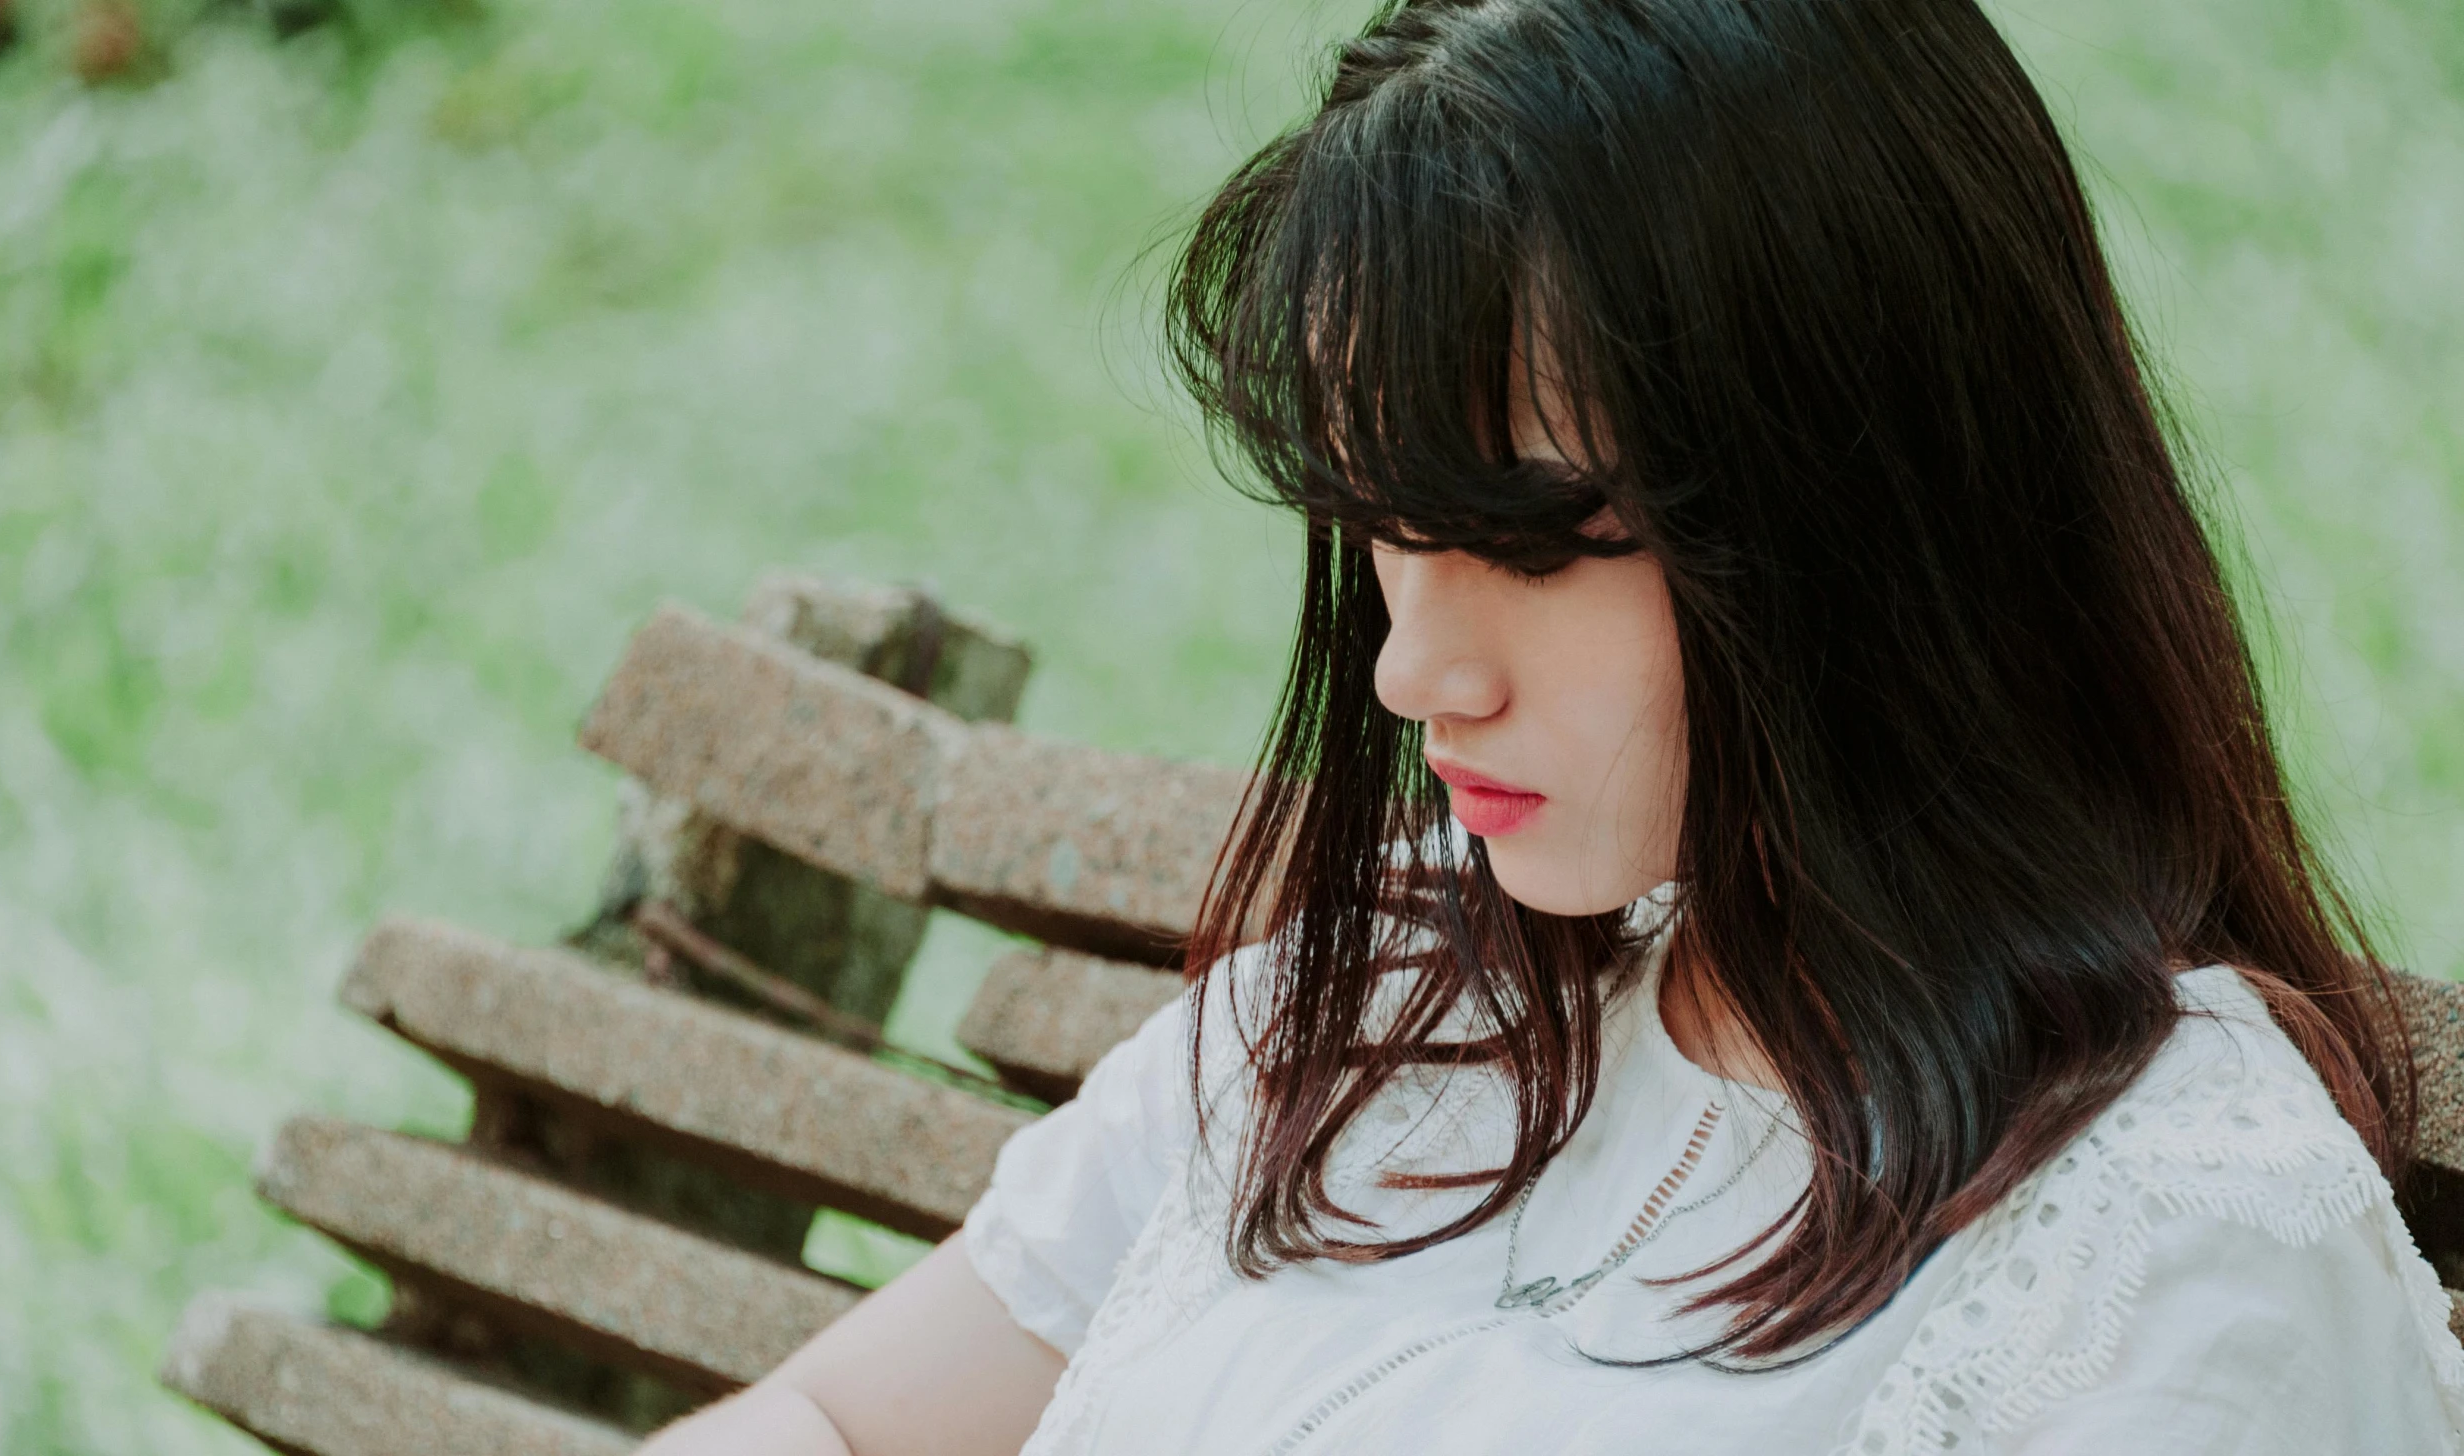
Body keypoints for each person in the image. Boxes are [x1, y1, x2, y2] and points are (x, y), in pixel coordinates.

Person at [639, 0, 2464, 1450]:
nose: (1411, 669)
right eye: (1376, 528)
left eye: (1523, 542)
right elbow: (836, 1420)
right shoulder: (1378, 1003)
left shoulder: (2170, 1259)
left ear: (1867, 514)